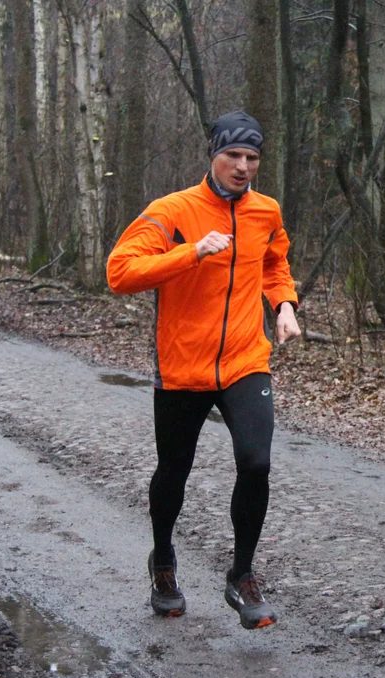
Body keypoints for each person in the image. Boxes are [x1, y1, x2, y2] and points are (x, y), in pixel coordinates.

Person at [106, 110, 301, 629]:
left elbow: (273, 263)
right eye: (233, 155)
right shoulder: (173, 211)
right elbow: (120, 272)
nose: (242, 166)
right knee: (175, 471)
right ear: (213, 155)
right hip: (182, 365)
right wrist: (190, 253)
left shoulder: (266, 211)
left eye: (252, 157)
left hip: (244, 358)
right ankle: (164, 562)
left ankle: (241, 576)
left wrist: (283, 305)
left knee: (256, 463)